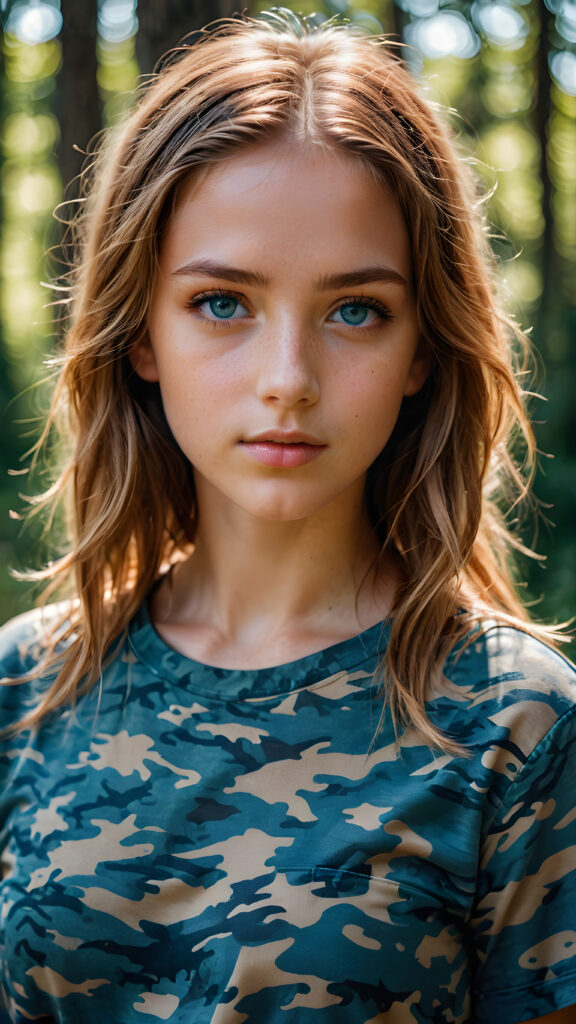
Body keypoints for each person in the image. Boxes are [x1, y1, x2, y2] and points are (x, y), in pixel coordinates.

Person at [0, 9, 574, 1024]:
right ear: (140, 333)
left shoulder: (519, 728)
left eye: (356, 310)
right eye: (224, 302)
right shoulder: (20, 697)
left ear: (423, 351)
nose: (288, 381)